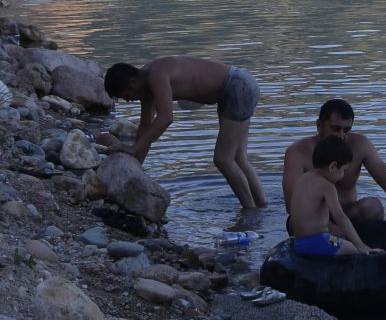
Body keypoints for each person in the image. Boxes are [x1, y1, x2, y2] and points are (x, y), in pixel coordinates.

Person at [101, 57, 266, 209]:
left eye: (126, 96)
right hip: (239, 84)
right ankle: (262, 205)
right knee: (238, 158)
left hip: (236, 85)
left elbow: (166, 118)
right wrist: (135, 169)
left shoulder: (156, 75)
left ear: (133, 81)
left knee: (223, 160)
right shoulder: (146, 89)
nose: (129, 100)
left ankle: (250, 212)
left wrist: (135, 148)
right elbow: (145, 128)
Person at [282, 98, 386, 223]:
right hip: (313, 220)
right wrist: (333, 232)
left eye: (346, 130)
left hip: (347, 216)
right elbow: (292, 205)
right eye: (335, 129)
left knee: (373, 207)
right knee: (293, 222)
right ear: (319, 125)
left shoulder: (360, 145)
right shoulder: (297, 152)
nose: (341, 135)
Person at [286, 135, 376, 258]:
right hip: (318, 241)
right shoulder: (327, 187)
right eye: (343, 169)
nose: (343, 174)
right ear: (333, 166)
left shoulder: (303, 178)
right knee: (353, 249)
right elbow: (340, 217)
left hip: (299, 243)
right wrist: (360, 245)